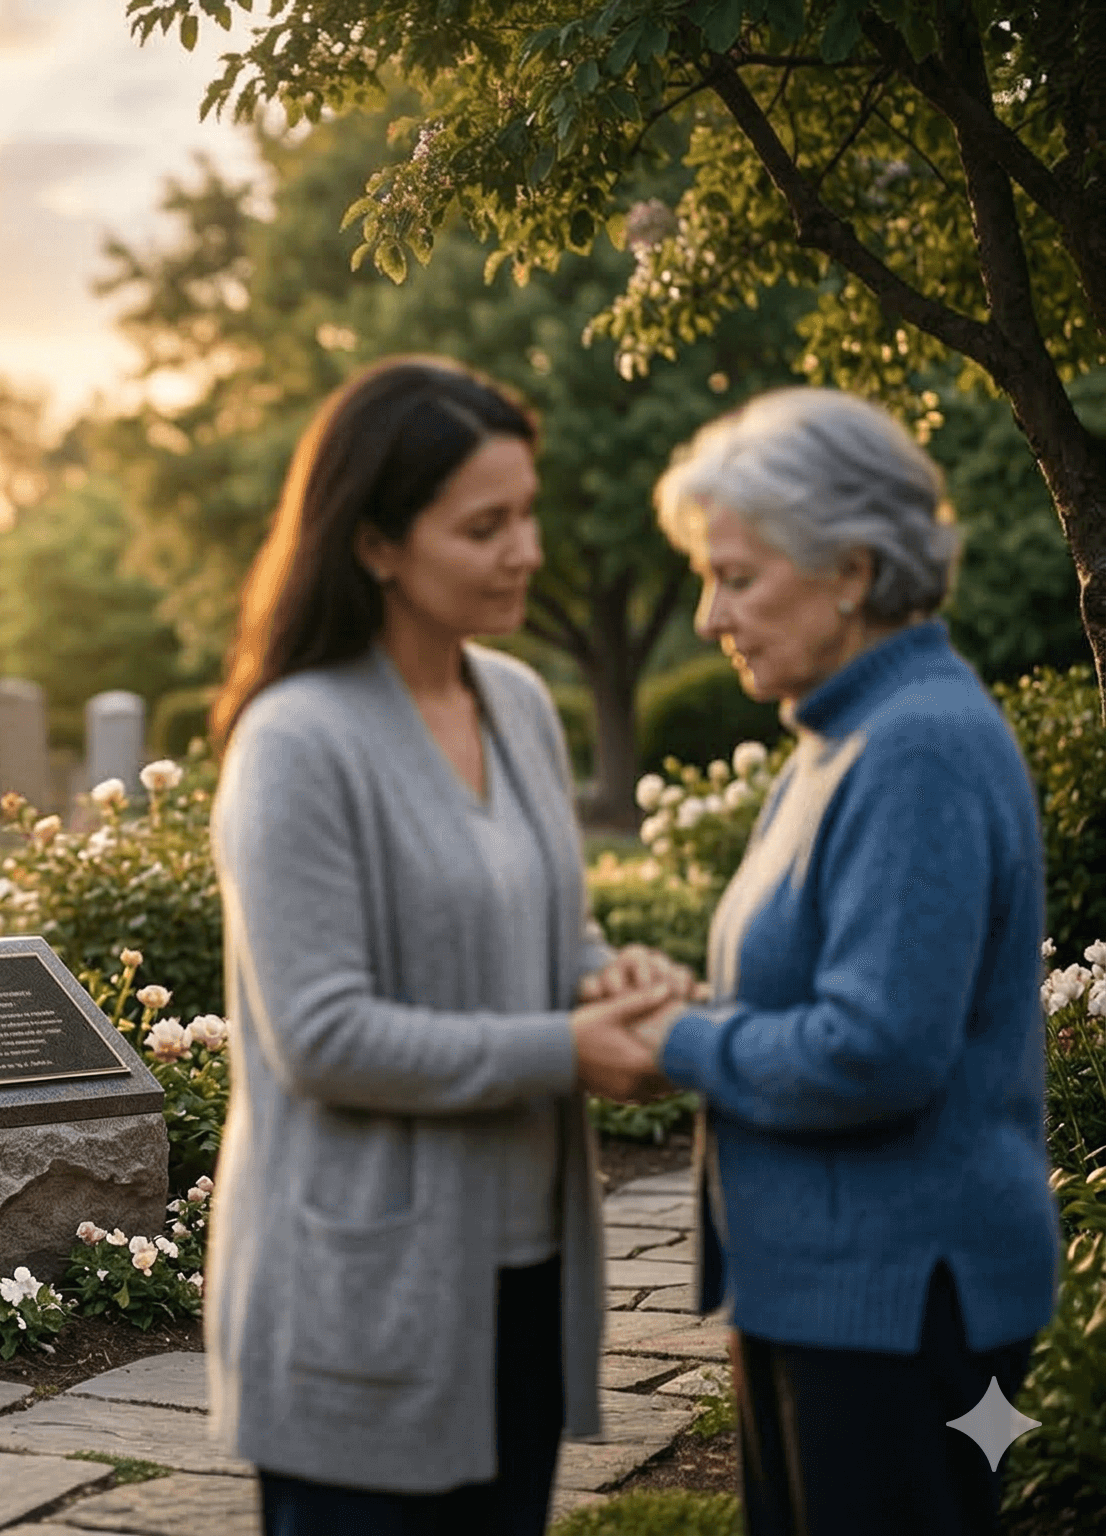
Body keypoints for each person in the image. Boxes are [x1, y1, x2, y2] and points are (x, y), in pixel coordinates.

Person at [204, 355, 686, 1536]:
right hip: (362, 1295)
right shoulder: (298, 741)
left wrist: (606, 981)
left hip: (522, 1273)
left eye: (527, 513)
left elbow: (548, 928)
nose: (525, 550)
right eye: (484, 526)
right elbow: (321, 1037)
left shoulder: (517, 703)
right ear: (375, 542)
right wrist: (565, 1048)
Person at [627, 387, 1059, 1536]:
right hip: (834, 1299)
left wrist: (675, 1040)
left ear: (854, 570)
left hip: (903, 1311)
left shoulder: (912, 744)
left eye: (738, 577)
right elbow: (826, 987)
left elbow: (876, 1050)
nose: (712, 614)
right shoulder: (840, 731)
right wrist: (692, 1000)